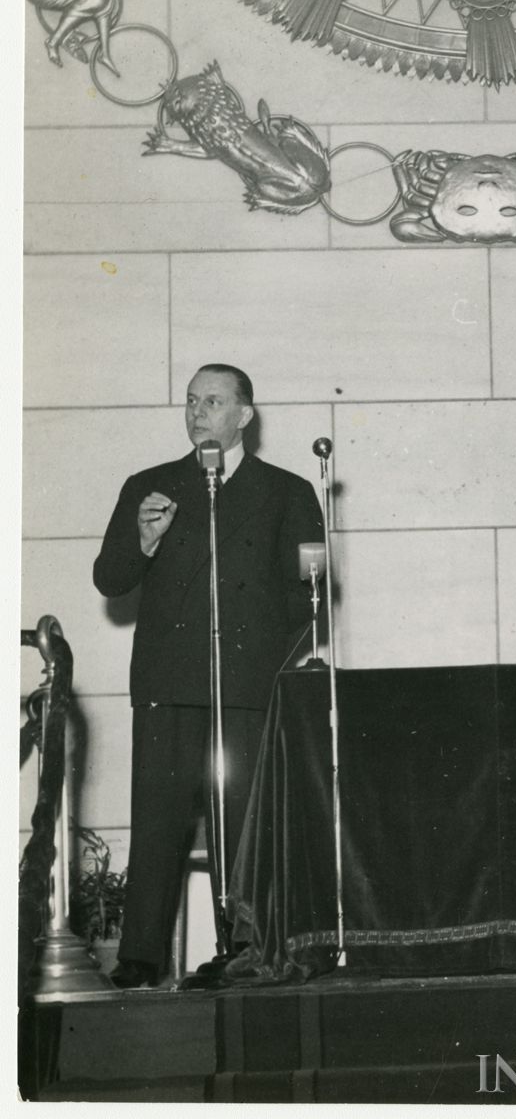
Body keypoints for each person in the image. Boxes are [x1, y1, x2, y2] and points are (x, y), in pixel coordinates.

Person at [93, 364, 324, 987]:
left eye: (213, 401)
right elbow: (109, 580)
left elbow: (313, 595)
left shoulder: (289, 491)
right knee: (158, 819)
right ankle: (140, 956)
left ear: (244, 414)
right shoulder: (151, 486)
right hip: (168, 683)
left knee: (241, 821)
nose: (198, 412)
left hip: (246, 687)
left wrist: (266, 658)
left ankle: (243, 946)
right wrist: (143, 539)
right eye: (192, 401)